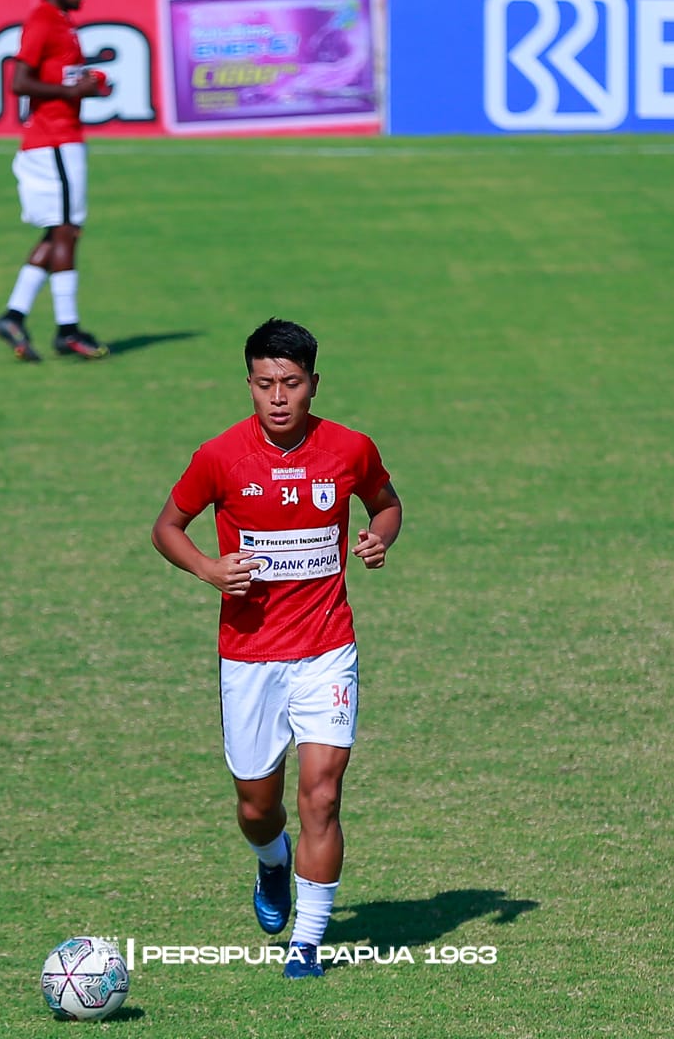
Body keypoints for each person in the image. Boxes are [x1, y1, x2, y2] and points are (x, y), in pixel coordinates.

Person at [151, 319, 403, 978]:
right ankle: (271, 862)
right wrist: (207, 568)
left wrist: (380, 536)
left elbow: (385, 501)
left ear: (314, 384)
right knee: (257, 805)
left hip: (327, 649)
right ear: (250, 386)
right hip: (250, 655)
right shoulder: (220, 457)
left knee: (321, 792)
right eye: (265, 384)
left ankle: (307, 945)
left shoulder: (349, 449)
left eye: (291, 383)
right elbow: (167, 527)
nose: (279, 397)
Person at [0, 0, 112, 363]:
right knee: (66, 232)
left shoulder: (63, 24)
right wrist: (70, 92)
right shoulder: (42, 21)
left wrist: (88, 83)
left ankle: (13, 316)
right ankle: (67, 329)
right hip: (53, 140)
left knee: (62, 232)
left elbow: (59, 78)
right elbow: (20, 81)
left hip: (63, 138)